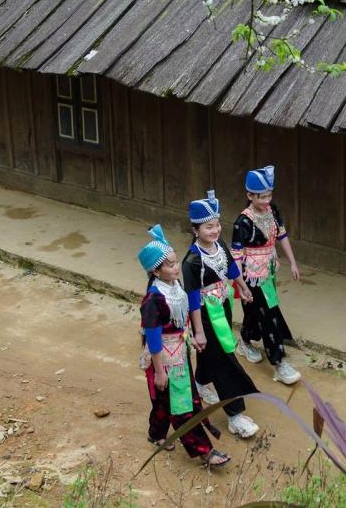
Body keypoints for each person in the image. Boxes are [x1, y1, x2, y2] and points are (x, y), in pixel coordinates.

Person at [137, 224, 230, 467]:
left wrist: (193, 336)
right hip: (165, 359)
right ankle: (204, 450)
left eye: (176, 261)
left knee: (163, 399)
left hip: (179, 350)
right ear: (155, 272)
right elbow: (154, 338)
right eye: (169, 264)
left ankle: (156, 434)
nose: (176, 267)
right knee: (181, 405)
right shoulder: (154, 300)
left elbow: (187, 311)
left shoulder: (175, 287)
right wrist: (158, 371)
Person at [182, 190, 262, 440]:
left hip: (222, 307)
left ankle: (201, 382)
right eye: (208, 227)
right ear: (196, 230)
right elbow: (193, 299)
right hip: (205, 314)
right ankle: (235, 415)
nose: (215, 230)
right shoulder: (192, 261)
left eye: (216, 225)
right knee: (225, 360)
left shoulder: (219, 246)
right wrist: (199, 331)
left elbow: (231, 267)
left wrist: (243, 287)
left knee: (213, 353)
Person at [231, 165, 301, 385]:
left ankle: (245, 340)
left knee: (255, 309)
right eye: (262, 197)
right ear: (249, 195)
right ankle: (279, 363)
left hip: (268, 270)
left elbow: (282, 236)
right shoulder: (242, 223)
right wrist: (241, 285)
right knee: (269, 313)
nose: (266, 201)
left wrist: (292, 262)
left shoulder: (273, 211)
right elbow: (236, 256)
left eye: (269, 195)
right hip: (250, 275)